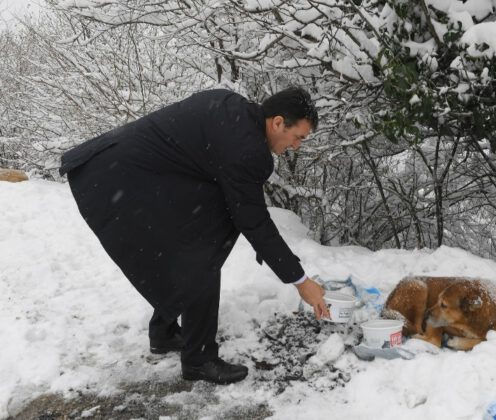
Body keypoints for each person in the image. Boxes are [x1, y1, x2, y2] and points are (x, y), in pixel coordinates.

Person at [59, 87, 331, 385]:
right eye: (299, 137)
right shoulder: (246, 149)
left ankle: (163, 332)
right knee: (201, 254)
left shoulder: (233, 107)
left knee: (201, 236)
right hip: (125, 179)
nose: (296, 146)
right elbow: (254, 221)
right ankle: (199, 360)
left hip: (123, 168)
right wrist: (300, 281)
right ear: (278, 122)